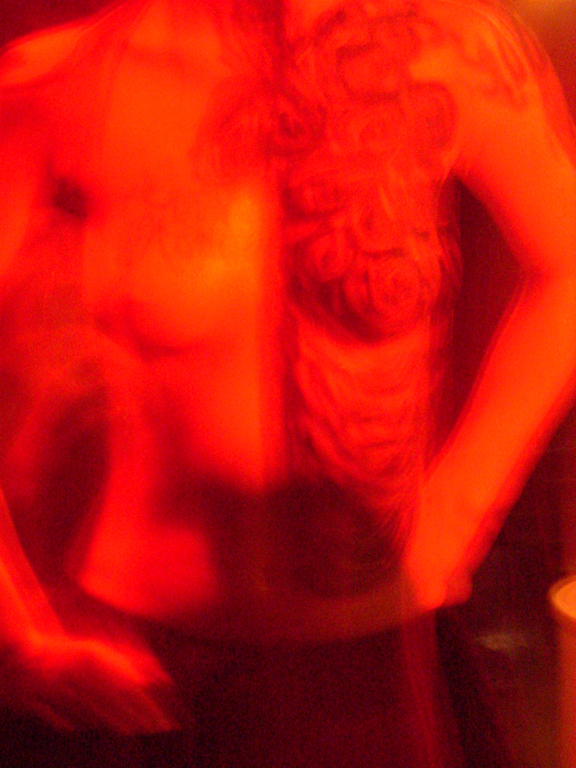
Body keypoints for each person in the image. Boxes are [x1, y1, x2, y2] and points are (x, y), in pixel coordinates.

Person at [0, 0, 575, 764]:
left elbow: (567, 264)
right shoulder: (70, 79)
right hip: (142, 674)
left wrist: (463, 506)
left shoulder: (449, 45)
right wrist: (16, 631)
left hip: (369, 668)